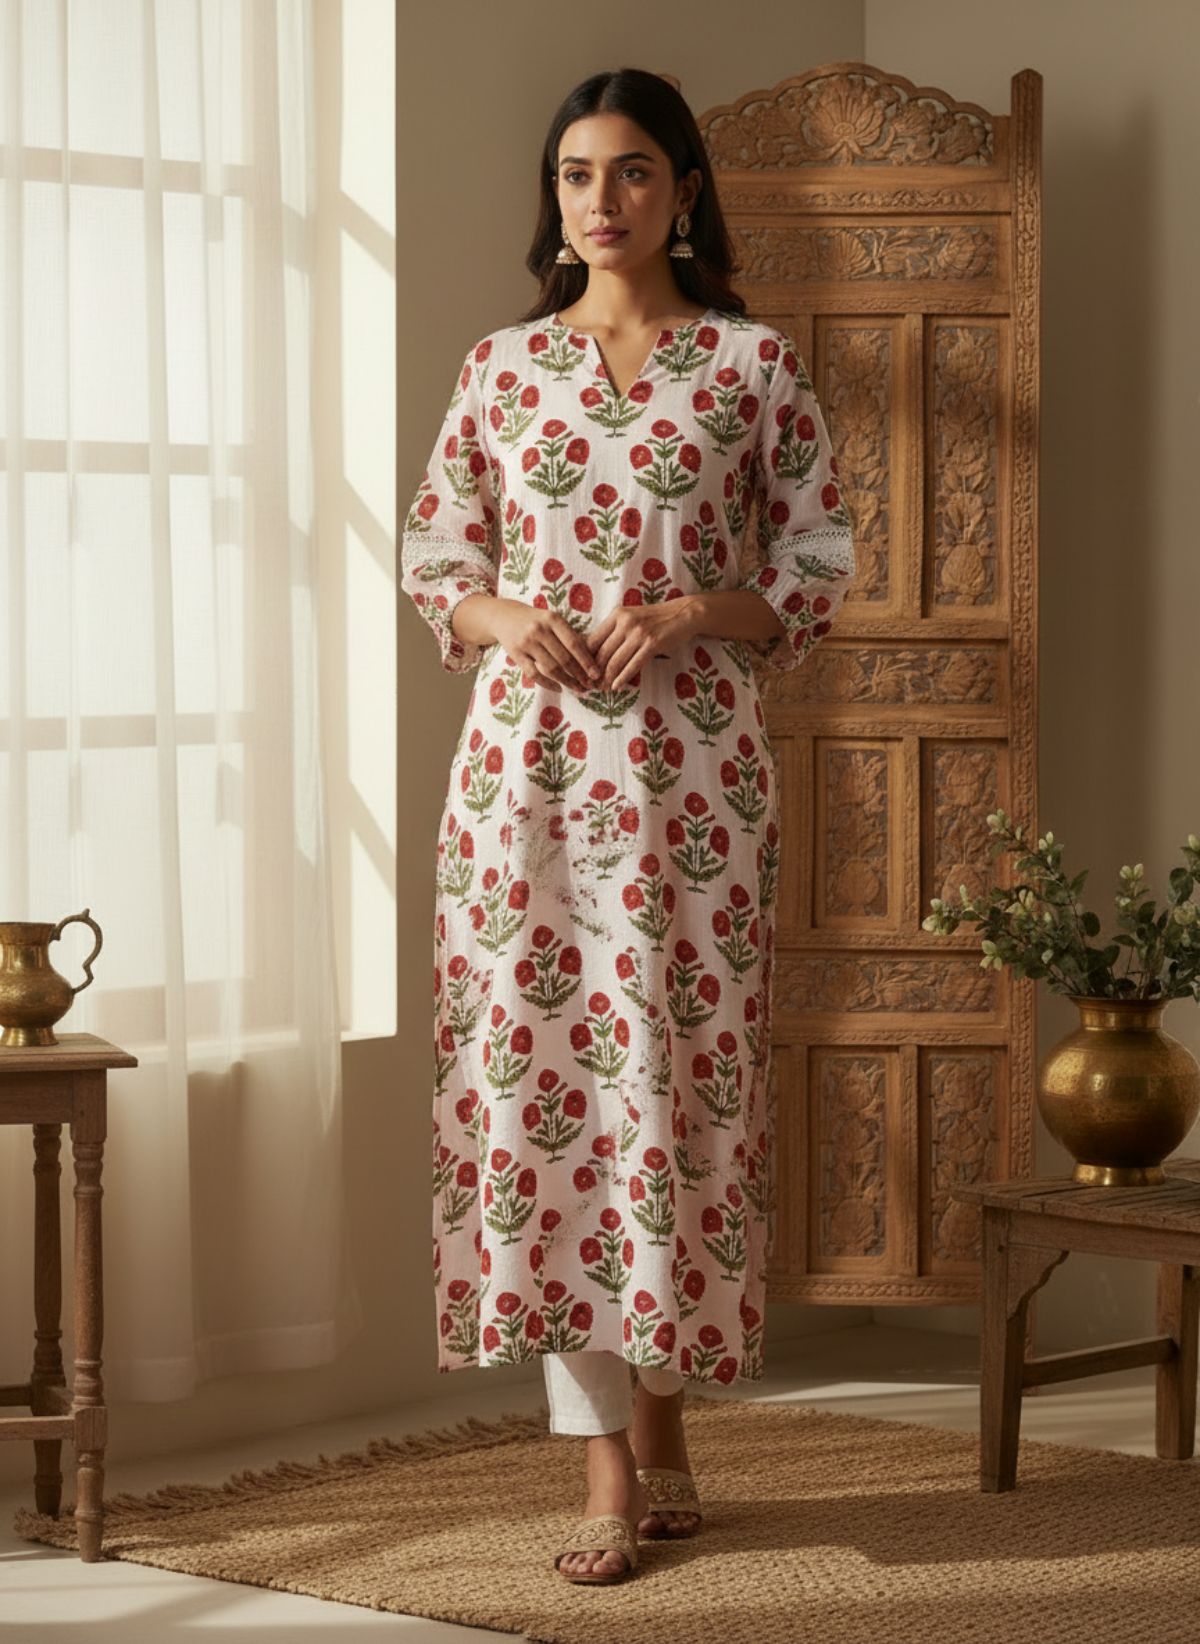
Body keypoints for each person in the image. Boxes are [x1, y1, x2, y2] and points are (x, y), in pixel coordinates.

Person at [401, 67, 854, 1584]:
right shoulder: (501, 367)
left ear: (686, 191)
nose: (603, 200)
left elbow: (818, 559)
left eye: (635, 171)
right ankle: (605, 1463)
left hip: (689, 787)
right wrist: (503, 616)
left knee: (674, 1092)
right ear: (556, 198)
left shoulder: (750, 364)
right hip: (524, 788)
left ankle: (666, 1418)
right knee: (554, 1099)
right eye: (577, 175)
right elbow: (434, 553)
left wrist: (685, 611)